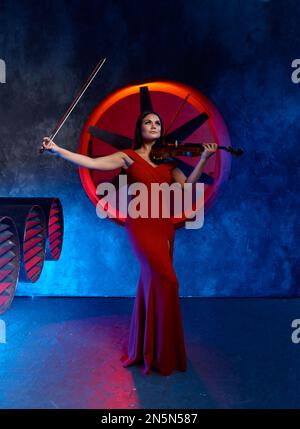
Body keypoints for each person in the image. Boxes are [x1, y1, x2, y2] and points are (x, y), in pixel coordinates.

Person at [42, 111, 217, 376]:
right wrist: (58, 151)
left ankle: (153, 349)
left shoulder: (170, 164)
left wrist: (204, 158)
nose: (154, 125)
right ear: (140, 128)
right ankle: (160, 352)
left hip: (165, 226)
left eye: (158, 122)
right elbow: (91, 162)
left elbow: (187, 187)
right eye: (148, 122)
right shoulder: (127, 156)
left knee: (154, 284)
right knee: (168, 281)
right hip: (142, 227)